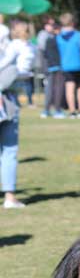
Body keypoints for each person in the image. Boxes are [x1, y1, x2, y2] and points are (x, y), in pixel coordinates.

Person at [0, 23, 28, 209]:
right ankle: (9, 196)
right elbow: (10, 79)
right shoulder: (10, 63)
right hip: (7, 110)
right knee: (9, 152)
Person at [0, 21, 36, 119]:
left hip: (15, 74)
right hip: (25, 74)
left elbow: (7, 60)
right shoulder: (31, 45)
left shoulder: (15, 44)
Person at [56, 13, 80, 119]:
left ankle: (72, 111)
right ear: (73, 22)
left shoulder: (59, 37)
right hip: (78, 64)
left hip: (65, 65)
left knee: (69, 89)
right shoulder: (78, 35)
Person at [40, 21, 65, 119]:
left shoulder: (48, 40)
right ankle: (57, 110)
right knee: (58, 89)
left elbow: (45, 54)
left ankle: (46, 110)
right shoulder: (59, 40)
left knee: (49, 89)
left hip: (50, 67)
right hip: (58, 67)